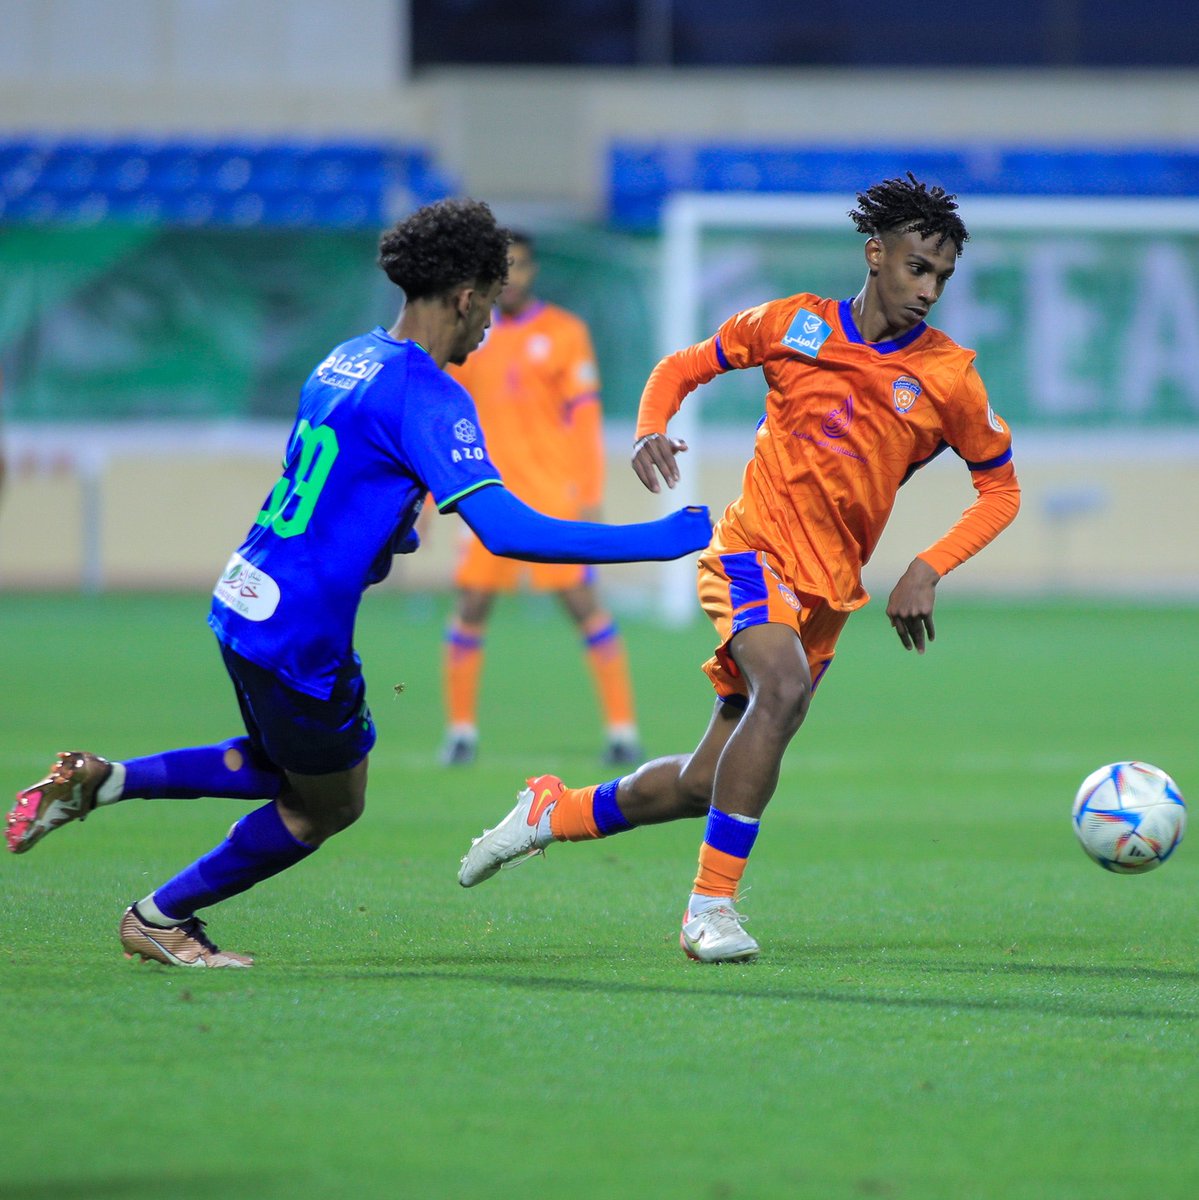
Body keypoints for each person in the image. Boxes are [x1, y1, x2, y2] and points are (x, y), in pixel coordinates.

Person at [5, 197, 712, 969]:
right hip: (301, 628)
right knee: (328, 805)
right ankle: (160, 916)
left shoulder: (344, 356)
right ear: (467, 295)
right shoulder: (430, 394)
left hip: (246, 590)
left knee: (284, 765)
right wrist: (661, 538)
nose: (491, 325)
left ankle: (105, 783)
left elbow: (326, 478)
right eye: (490, 301)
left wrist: (391, 531)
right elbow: (509, 532)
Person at [457, 174, 1021, 963]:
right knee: (781, 690)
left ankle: (550, 811)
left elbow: (999, 489)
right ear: (874, 254)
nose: (928, 290)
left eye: (941, 278)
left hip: (828, 591)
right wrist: (650, 425)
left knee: (701, 782)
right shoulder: (791, 324)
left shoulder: (948, 377)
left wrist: (929, 565)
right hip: (750, 553)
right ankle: (708, 911)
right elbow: (682, 366)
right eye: (915, 269)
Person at [440, 232, 641, 768]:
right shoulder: (470, 337)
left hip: (553, 496)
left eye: (521, 265)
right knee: (471, 607)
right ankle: (460, 733)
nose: (513, 276)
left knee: (584, 607)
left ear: (533, 271)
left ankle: (622, 732)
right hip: (486, 496)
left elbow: (585, 421)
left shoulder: (566, 332)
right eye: (503, 267)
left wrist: (590, 495)